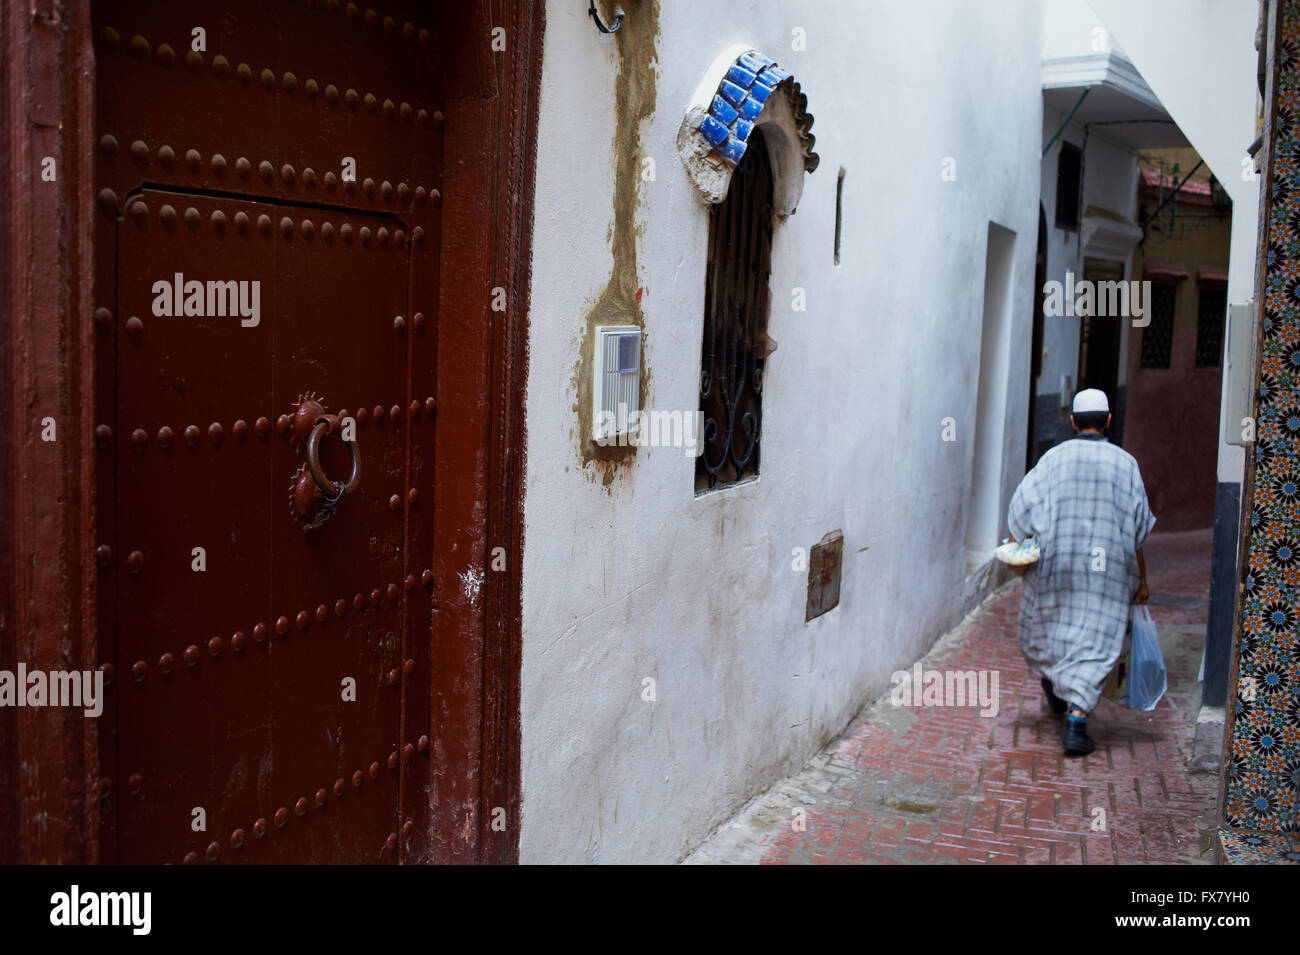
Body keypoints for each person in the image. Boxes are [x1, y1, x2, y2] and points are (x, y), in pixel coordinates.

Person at [1005, 389, 1154, 756]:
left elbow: (1021, 511)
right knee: (1099, 639)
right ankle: (1076, 717)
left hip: (1060, 564)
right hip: (1109, 573)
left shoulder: (1053, 459)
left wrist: (1016, 545)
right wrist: (1142, 578)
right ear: (1107, 421)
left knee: (1054, 625)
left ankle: (1061, 692)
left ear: (1072, 422)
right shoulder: (1126, 464)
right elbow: (1137, 529)